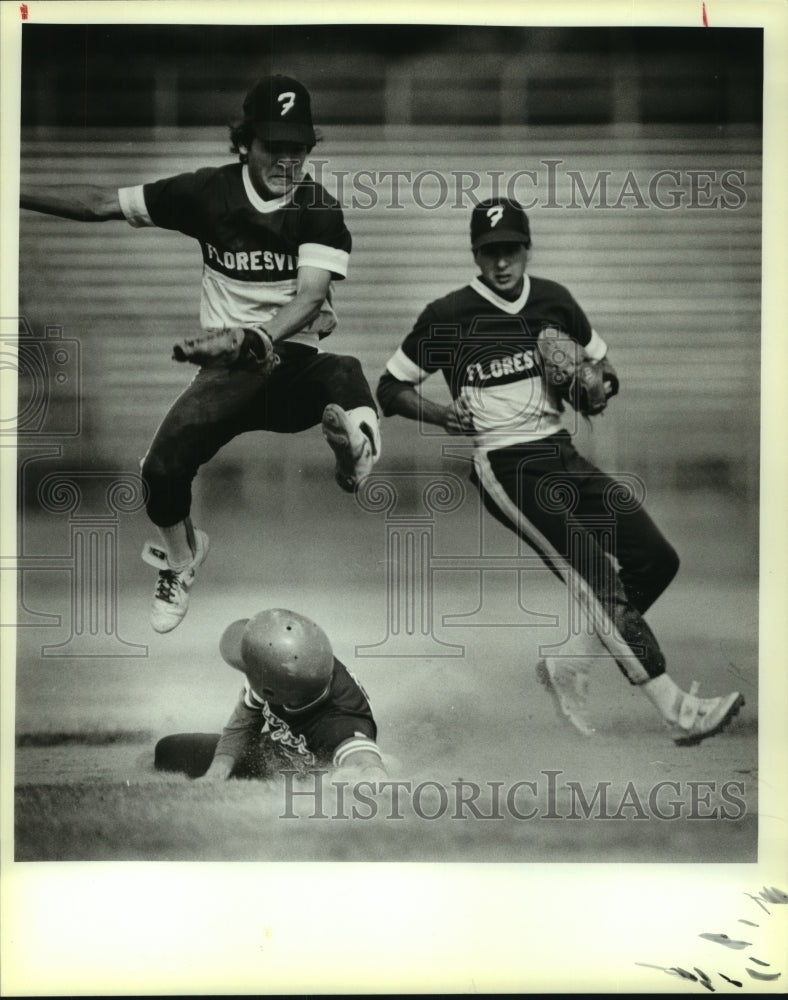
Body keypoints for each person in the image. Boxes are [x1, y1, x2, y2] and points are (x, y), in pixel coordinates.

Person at [375, 195, 744, 746]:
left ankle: (568, 664)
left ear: (527, 248)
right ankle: (680, 710)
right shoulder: (448, 315)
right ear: (476, 255)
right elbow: (390, 388)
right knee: (596, 577)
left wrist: (597, 386)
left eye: (511, 249)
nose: (502, 261)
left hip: (561, 452)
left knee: (655, 559)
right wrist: (441, 414)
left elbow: (603, 368)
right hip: (506, 466)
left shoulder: (554, 300)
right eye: (490, 251)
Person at [20, 75, 380, 633]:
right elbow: (97, 205)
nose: (288, 159)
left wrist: (258, 337)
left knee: (345, 373)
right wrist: (11, 189)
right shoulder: (206, 193)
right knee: (159, 469)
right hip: (228, 375)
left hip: (292, 367)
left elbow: (310, 297)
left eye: (298, 147)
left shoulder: (318, 208)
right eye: (274, 145)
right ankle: (182, 560)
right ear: (245, 142)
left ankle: (353, 456)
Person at [154, 608, 387, 781]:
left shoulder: (341, 723)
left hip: (299, 762)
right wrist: (215, 775)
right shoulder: (294, 663)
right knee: (167, 750)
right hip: (276, 750)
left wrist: (371, 774)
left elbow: (366, 761)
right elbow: (242, 726)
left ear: (273, 689)